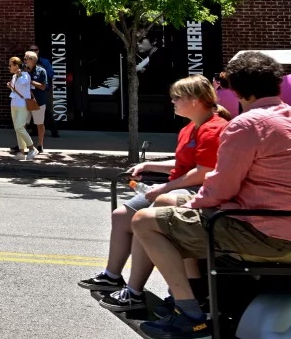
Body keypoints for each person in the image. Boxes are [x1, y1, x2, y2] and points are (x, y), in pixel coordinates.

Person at [133, 51, 291, 339]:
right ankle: (200, 295)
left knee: (144, 220)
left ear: (239, 89)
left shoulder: (248, 124)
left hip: (261, 232)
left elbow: (220, 189)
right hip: (279, 223)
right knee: (171, 205)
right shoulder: (285, 116)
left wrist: (189, 204)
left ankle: (190, 318)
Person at [79, 74, 229, 312]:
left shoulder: (214, 128)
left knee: (144, 222)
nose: (172, 102)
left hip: (192, 191)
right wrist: (148, 166)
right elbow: (182, 163)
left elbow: (203, 172)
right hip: (177, 187)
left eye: (177, 97)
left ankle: (136, 291)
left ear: (195, 100)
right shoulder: (191, 127)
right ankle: (112, 276)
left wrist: (164, 187)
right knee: (121, 216)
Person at [7, 57, 38, 161]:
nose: (9, 67)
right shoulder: (14, 76)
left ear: (16, 66)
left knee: (20, 127)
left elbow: (25, 83)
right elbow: (15, 89)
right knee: (17, 128)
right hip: (14, 103)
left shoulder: (25, 75)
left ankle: (32, 148)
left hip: (22, 104)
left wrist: (19, 75)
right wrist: (10, 85)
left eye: (11, 65)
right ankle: (21, 152)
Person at [28, 44, 59, 139]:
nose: (33, 51)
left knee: (47, 110)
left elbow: (50, 74)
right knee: (33, 108)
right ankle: (34, 130)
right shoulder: (27, 63)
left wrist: (40, 73)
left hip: (43, 89)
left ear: (38, 51)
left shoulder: (44, 62)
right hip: (31, 89)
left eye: (35, 49)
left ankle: (54, 130)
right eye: (31, 50)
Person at [24, 51, 50, 153]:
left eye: (27, 59)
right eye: (24, 58)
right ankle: (23, 144)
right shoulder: (23, 71)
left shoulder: (41, 71)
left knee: (39, 124)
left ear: (33, 60)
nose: (25, 60)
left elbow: (43, 87)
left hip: (38, 101)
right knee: (23, 124)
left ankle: (40, 144)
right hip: (25, 101)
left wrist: (30, 81)